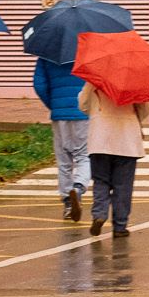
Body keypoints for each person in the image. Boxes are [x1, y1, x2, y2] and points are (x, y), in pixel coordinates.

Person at [80, 83, 149, 236]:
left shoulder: (95, 80)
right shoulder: (134, 82)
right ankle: (119, 226)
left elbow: (83, 104)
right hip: (127, 140)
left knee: (101, 180)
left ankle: (99, 214)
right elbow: (144, 110)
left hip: (100, 138)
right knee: (123, 186)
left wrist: (96, 112)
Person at [33, 55, 89, 220]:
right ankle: (78, 188)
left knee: (64, 159)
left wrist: (54, 104)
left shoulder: (47, 53)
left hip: (59, 114)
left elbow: (39, 84)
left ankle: (67, 202)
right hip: (83, 113)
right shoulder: (87, 51)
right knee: (84, 156)